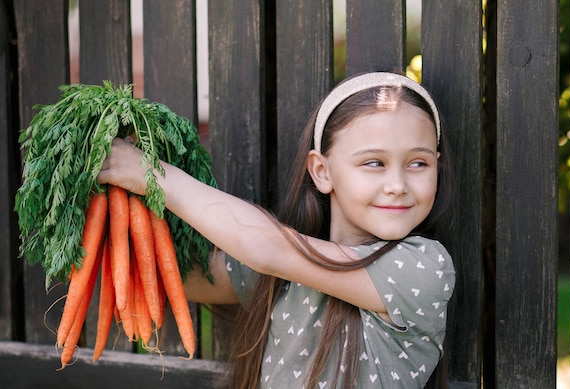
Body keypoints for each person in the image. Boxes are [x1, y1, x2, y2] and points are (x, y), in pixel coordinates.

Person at [97, 71, 456, 388]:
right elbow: (178, 277)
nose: (397, 183)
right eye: (375, 162)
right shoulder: (287, 275)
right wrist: (102, 208)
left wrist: (151, 175)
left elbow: (270, 248)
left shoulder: (423, 269)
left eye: (418, 163)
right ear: (322, 171)